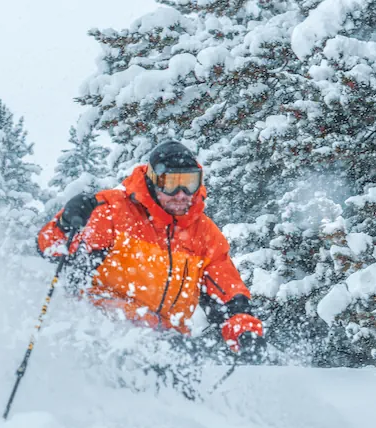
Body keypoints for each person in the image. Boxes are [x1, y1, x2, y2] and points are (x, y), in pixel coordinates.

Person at [37, 140, 268, 380]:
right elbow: (51, 247)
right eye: (171, 184)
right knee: (158, 356)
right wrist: (66, 223)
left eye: (189, 183)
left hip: (166, 337)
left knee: (190, 360)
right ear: (154, 180)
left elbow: (227, 291)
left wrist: (244, 329)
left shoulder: (204, 233)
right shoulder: (114, 211)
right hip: (103, 328)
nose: (181, 194)